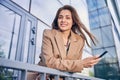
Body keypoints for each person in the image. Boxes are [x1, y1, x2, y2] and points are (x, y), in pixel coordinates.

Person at [27, 5, 100, 80]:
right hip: (42, 77)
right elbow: (49, 62)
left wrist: (80, 64)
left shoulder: (80, 40)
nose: (63, 20)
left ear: (73, 21)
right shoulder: (48, 33)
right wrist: (81, 63)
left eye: (67, 18)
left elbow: (74, 68)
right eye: (60, 17)